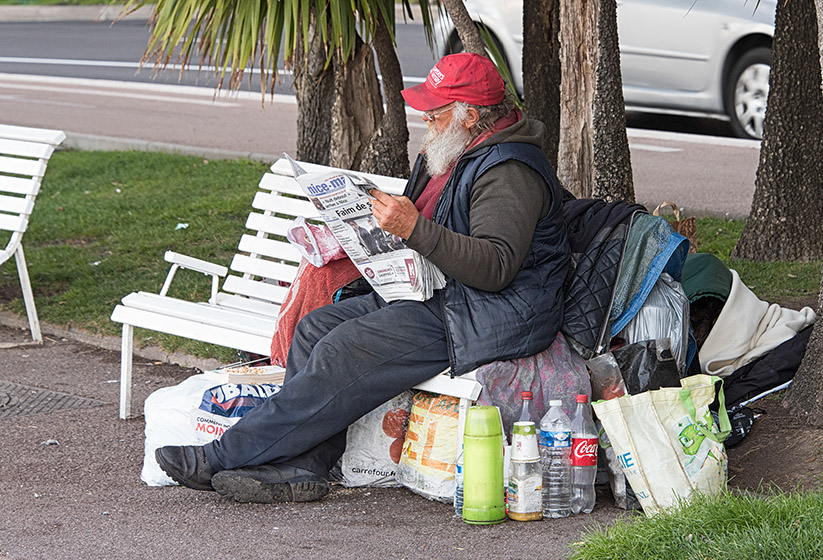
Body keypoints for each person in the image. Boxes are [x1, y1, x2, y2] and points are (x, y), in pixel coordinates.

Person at [155, 52, 571, 503]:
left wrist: (413, 229)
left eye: (435, 112)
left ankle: (223, 454)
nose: (426, 119)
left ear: (470, 116)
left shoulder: (508, 170)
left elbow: (494, 267)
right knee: (317, 326)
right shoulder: (456, 152)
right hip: (441, 291)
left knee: (344, 348)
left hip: (490, 311)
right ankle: (303, 467)